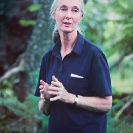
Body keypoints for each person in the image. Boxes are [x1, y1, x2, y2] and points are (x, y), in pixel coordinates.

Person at [34, 0, 112, 132]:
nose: (68, 15)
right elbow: (44, 110)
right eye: (63, 9)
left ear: (80, 17)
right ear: (53, 14)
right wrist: (46, 99)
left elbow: (106, 104)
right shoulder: (48, 57)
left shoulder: (94, 54)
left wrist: (71, 98)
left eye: (75, 10)